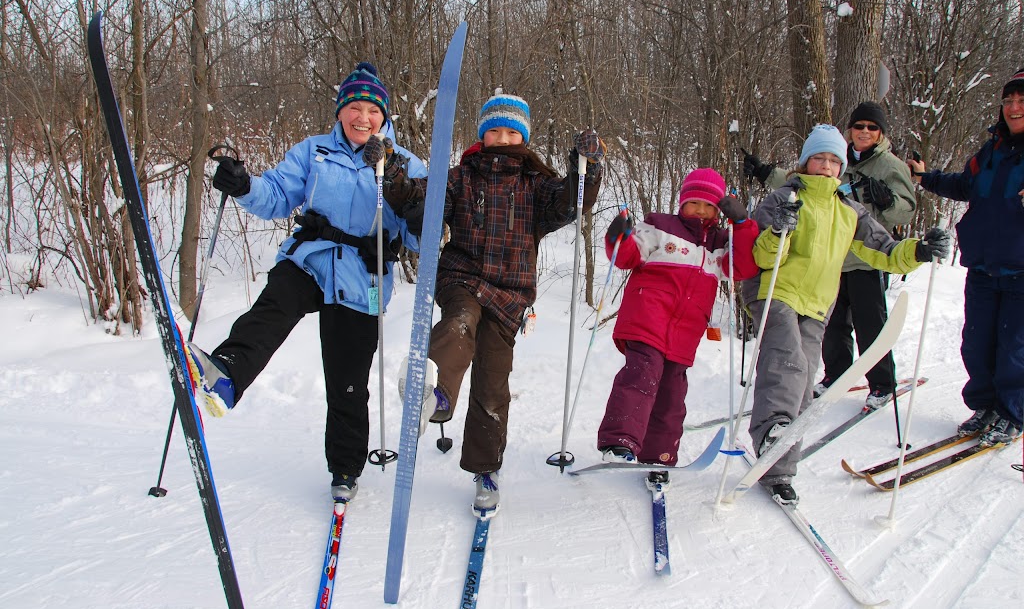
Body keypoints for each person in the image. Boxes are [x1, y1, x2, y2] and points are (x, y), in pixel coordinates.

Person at [186, 62, 427, 503]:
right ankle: (226, 375)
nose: (362, 118)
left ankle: (345, 469)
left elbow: (420, 235)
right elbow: (277, 195)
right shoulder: (314, 151)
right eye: (353, 107)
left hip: (362, 279)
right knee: (273, 307)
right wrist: (242, 186)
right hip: (312, 259)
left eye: (372, 110)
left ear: (384, 116)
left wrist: (412, 207)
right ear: (339, 112)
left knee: (347, 381)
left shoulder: (405, 162)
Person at [380, 90, 604, 513]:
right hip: (462, 277)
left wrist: (586, 168)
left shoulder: (536, 184)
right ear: (482, 135)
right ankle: (435, 394)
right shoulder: (461, 177)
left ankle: (485, 468)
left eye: (510, 132)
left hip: (509, 294)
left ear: (522, 137)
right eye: (494, 131)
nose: (502, 139)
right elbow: (417, 200)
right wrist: (391, 172)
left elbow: (571, 203)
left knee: (492, 384)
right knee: (459, 323)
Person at [742, 124, 949, 505]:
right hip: (777, 293)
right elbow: (759, 255)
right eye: (819, 158)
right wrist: (779, 232)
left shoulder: (849, 210)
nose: (826, 166)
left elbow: (883, 249)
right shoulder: (783, 197)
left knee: (804, 381)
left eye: (834, 160)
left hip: (818, 302)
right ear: (806, 161)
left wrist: (918, 250)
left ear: (842, 168)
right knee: (786, 363)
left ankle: (778, 469)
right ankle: (773, 431)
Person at [744, 102, 917, 409]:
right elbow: (797, 182)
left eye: (872, 127)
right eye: (859, 126)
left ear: (881, 133)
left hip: (859, 255)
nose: (864, 132)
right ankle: (831, 377)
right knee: (829, 331)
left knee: (868, 321)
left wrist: (889, 202)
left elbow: (905, 208)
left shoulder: (889, 167)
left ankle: (880, 382)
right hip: (820, 271)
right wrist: (765, 172)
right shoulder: (832, 165)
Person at [595, 169, 761, 486]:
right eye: (694, 203)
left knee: (672, 394)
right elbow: (627, 257)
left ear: (719, 210)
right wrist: (618, 237)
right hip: (647, 316)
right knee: (642, 375)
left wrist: (742, 225)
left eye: (709, 206)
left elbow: (742, 267)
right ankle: (620, 440)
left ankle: (659, 456)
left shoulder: (720, 244)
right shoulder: (660, 226)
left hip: (685, 332)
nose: (701, 211)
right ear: (683, 202)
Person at [907, 68, 1024, 447]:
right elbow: (964, 184)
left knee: (1014, 346)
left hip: (1021, 270)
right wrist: (926, 177)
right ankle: (985, 406)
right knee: (976, 342)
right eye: (1009, 101)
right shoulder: (992, 151)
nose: (1014, 107)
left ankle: (1011, 413)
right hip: (982, 265)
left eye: (1022, 101)